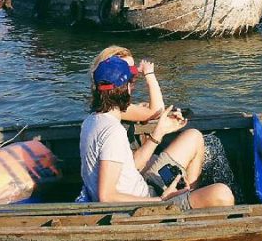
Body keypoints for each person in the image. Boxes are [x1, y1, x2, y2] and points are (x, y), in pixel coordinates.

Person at [81, 56, 235, 209]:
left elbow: (125, 169)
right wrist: (162, 200)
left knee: (193, 136)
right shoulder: (113, 132)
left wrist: (160, 131)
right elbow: (106, 196)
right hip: (145, 205)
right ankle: (188, 204)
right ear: (126, 88)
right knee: (223, 194)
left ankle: (189, 196)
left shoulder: (92, 121)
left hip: (142, 188)